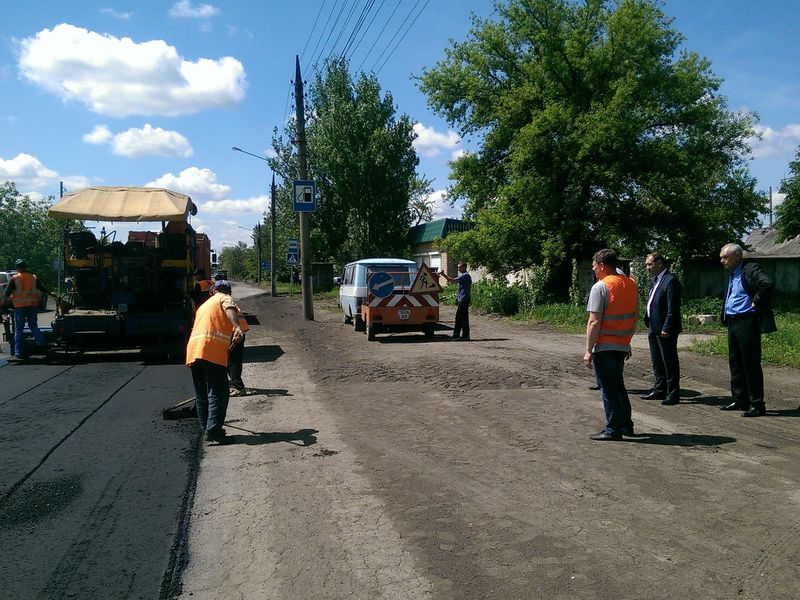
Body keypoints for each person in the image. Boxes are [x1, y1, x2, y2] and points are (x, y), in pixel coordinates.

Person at [583, 249, 638, 441]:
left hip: (605, 345)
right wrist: (628, 342)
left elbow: (594, 322)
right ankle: (626, 425)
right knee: (619, 386)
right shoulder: (630, 284)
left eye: (594, 266)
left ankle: (613, 429)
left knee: (608, 388)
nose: (593, 269)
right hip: (622, 344)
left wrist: (589, 350)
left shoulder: (600, 287)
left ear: (602, 265)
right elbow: (633, 316)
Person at [719, 243, 776, 417]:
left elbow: (767, 283)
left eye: (725, 257)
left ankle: (757, 404)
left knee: (750, 363)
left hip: (747, 322)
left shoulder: (750, 269)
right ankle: (740, 400)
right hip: (733, 322)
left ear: (737, 256)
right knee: (735, 362)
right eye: (721, 257)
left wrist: (756, 300)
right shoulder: (733, 272)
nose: (722, 260)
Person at [186, 279, 244, 444]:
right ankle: (214, 431)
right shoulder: (224, 298)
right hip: (212, 352)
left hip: (193, 351)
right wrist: (237, 327)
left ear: (212, 291)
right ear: (227, 292)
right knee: (219, 393)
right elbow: (230, 308)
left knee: (202, 394)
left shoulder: (203, 307)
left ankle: (207, 430)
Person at [640, 252, 682, 406]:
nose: (647, 267)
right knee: (657, 360)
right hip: (653, 326)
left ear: (659, 263)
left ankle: (673, 393)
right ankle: (659, 389)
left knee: (669, 361)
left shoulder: (670, 281)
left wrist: (667, 327)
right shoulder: (656, 280)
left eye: (649, 264)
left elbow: (673, 308)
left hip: (665, 329)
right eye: (646, 264)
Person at [210, 280, 250, 397]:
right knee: (232, 362)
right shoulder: (227, 300)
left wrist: (236, 329)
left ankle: (239, 388)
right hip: (236, 333)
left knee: (232, 363)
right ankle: (236, 385)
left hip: (235, 334)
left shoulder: (224, 300)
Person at [5, 259, 47, 361]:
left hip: (20, 307)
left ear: (17, 268)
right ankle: (43, 346)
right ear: (25, 267)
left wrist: (11, 297)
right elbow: (42, 289)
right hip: (32, 306)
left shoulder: (14, 278)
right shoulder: (33, 277)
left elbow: (7, 293)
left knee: (19, 329)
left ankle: (19, 353)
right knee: (34, 326)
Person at [439, 261, 472, 341]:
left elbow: (452, 280)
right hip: (464, 298)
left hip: (463, 299)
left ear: (464, 267)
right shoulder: (465, 276)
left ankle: (457, 335)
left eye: (460, 267)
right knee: (463, 318)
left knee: (459, 318)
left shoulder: (465, 276)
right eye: (458, 267)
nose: (458, 269)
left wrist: (443, 274)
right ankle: (464, 335)